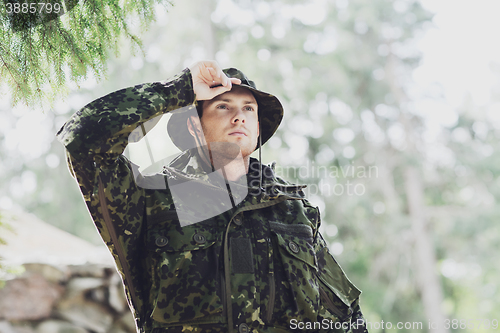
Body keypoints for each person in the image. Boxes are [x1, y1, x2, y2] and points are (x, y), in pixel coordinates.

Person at [57, 60, 369, 333]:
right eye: (223, 106)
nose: (239, 117)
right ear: (194, 126)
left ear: (258, 127)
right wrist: (179, 90)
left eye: (248, 108)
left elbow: (345, 316)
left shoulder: (294, 211)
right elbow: (83, 139)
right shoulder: (149, 200)